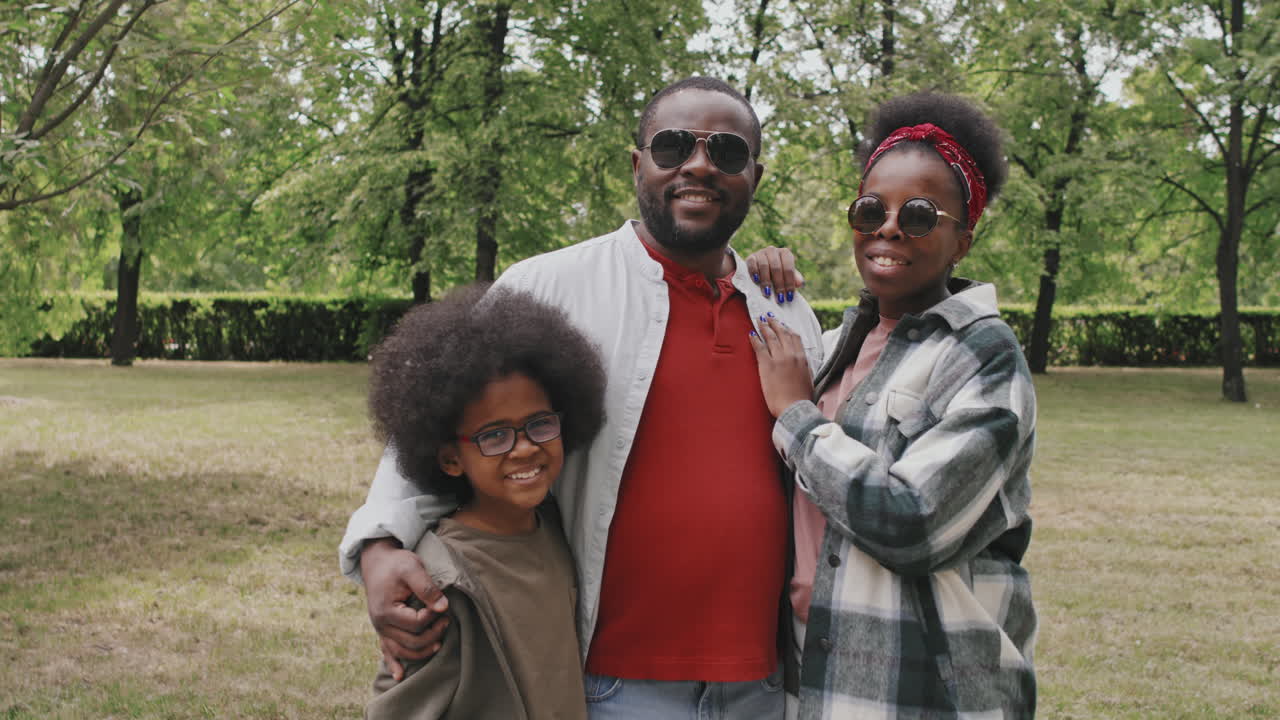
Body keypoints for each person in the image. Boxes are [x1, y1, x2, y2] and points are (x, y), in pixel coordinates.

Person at [339, 76, 825, 718]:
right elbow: (435, 422)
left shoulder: (790, 313)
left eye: (727, 153)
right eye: (673, 146)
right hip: (610, 686)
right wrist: (378, 548)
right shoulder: (550, 286)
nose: (699, 165)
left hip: (760, 688)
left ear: (754, 176)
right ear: (637, 164)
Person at [749, 92, 1038, 718]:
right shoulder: (830, 347)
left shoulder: (983, 355)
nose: (888, 227)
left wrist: (798, 418)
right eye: (871, 209)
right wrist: (751, 280)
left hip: (926, 691)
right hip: (813, 675)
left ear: (963, 240)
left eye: (921, 215)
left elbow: (914, 523)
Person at [362, 284, 607, 720]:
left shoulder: (554, 527)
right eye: (494, 435)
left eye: (539, 423)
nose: (525, 448)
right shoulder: (439, 582)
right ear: (451, 459)